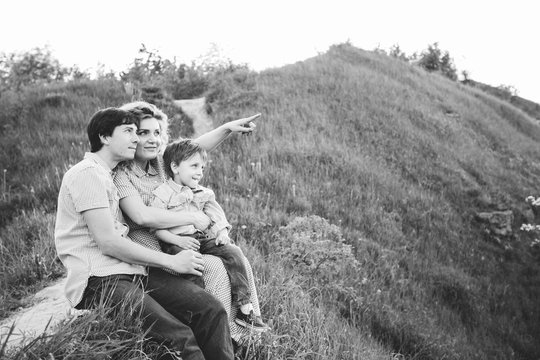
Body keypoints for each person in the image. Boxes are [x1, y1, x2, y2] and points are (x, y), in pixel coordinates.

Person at [54, 107, 233, 360]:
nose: (136, 139)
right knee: (180, 337)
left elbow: (184, 150)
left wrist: (227, 128)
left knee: (210, 309)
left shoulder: (108, 173)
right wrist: (171, 261)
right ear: (105, 137)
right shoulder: (87, 174)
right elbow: (108, 243)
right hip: (100, 279)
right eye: (129, 132)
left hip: (130, 270)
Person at [113, 101, 265, 343]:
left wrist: (226, 128)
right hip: (152, 245)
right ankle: (217, 335)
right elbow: (142, 216)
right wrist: (193, 217)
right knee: (212, 267)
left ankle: (243, 333)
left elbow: (193, 148)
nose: (153, 139)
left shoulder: (159, 163)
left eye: (157, 133)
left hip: (186, 237)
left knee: (235, 258)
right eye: (144, 133)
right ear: (129, 135)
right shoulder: (123, 174)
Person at [151, 139, 268, 331]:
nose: (200, 172)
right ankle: (197, 311)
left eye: (202, 167)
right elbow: (156, 227)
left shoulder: (203, 193)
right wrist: (178, 240)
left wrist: (221, 233)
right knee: (194, 266)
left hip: (201, 238)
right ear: (175, 167)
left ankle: (244, 308)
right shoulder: (163, 193)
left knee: (233, 251)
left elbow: (217, 215)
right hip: (175, 242)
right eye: (194, 166)